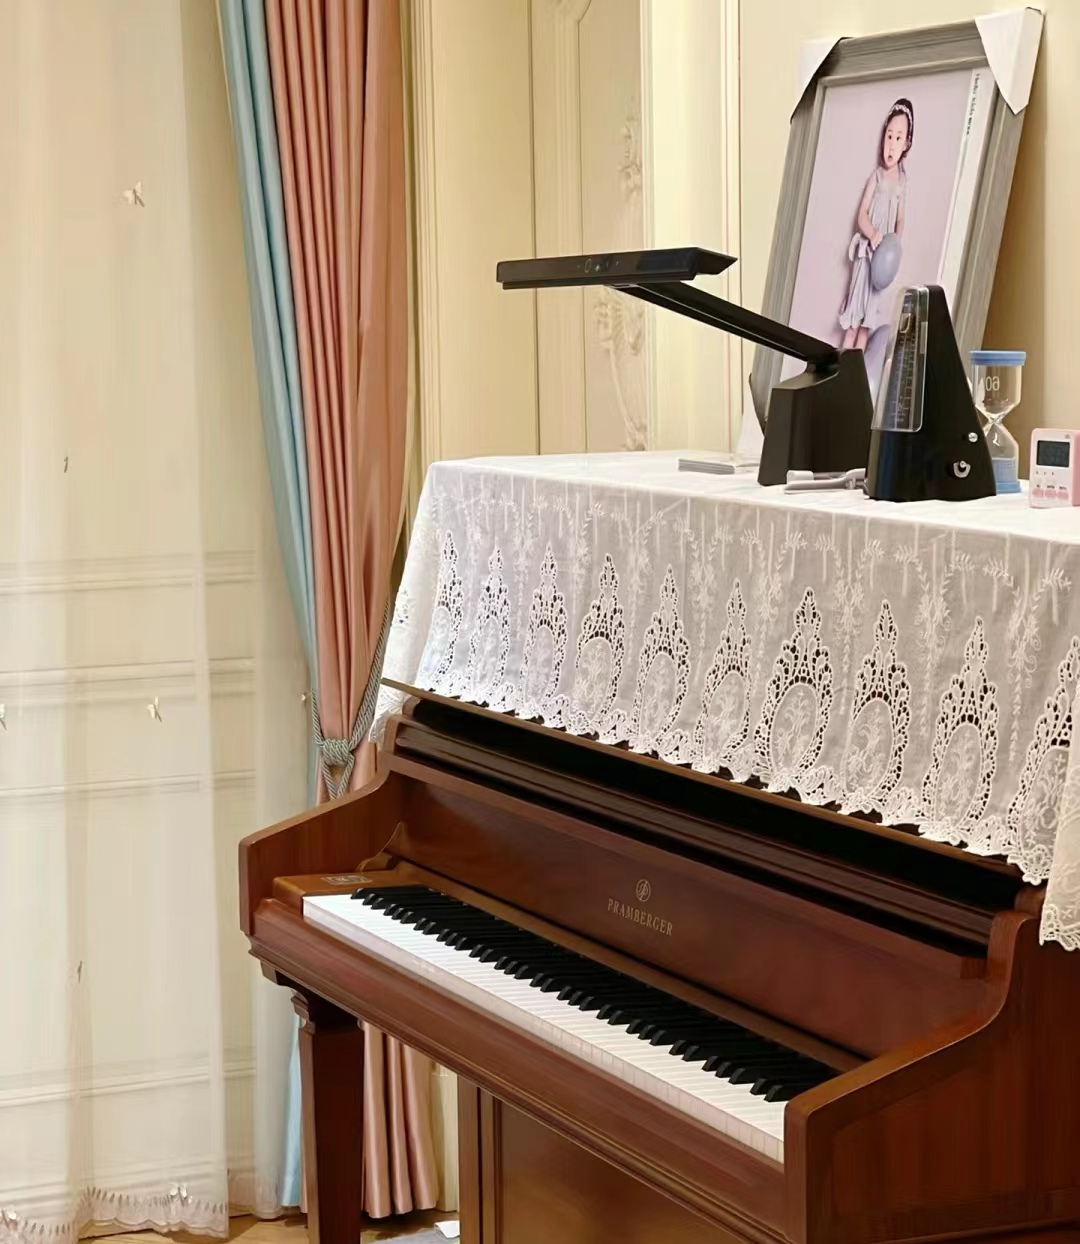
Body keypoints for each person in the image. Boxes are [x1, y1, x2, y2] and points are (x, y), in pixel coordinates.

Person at [838, 97, 913, 351]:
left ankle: (855, 372)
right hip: (867, 258)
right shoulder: (876, 178)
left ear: (906, 144)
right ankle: (839, 370)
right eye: (889, 136)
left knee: (866, 326)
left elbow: (900, 218)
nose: (891, 144)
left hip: (881, 265)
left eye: (898, 138)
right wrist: (872, 235)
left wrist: (894, 247)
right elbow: (861, 215)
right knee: (854, 322)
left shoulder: (902, 183)